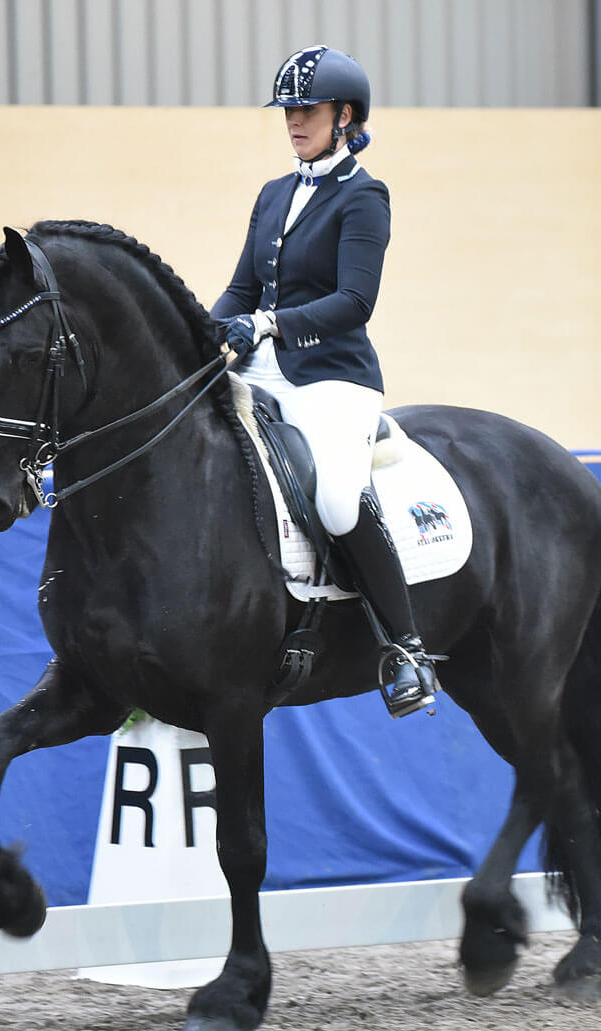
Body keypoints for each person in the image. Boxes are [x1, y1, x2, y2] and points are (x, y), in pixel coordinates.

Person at [211, 45, 438, 719]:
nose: (294, 121)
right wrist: (200, 329)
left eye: (306, 110)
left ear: (344, 116)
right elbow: (240, 287)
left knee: (337, 501)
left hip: (331, 376)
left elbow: (354, 301)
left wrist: (271, 325)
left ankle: (406, 648)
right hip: (260, 368)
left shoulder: (364, 196)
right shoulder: (273, 193)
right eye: (288, 111)